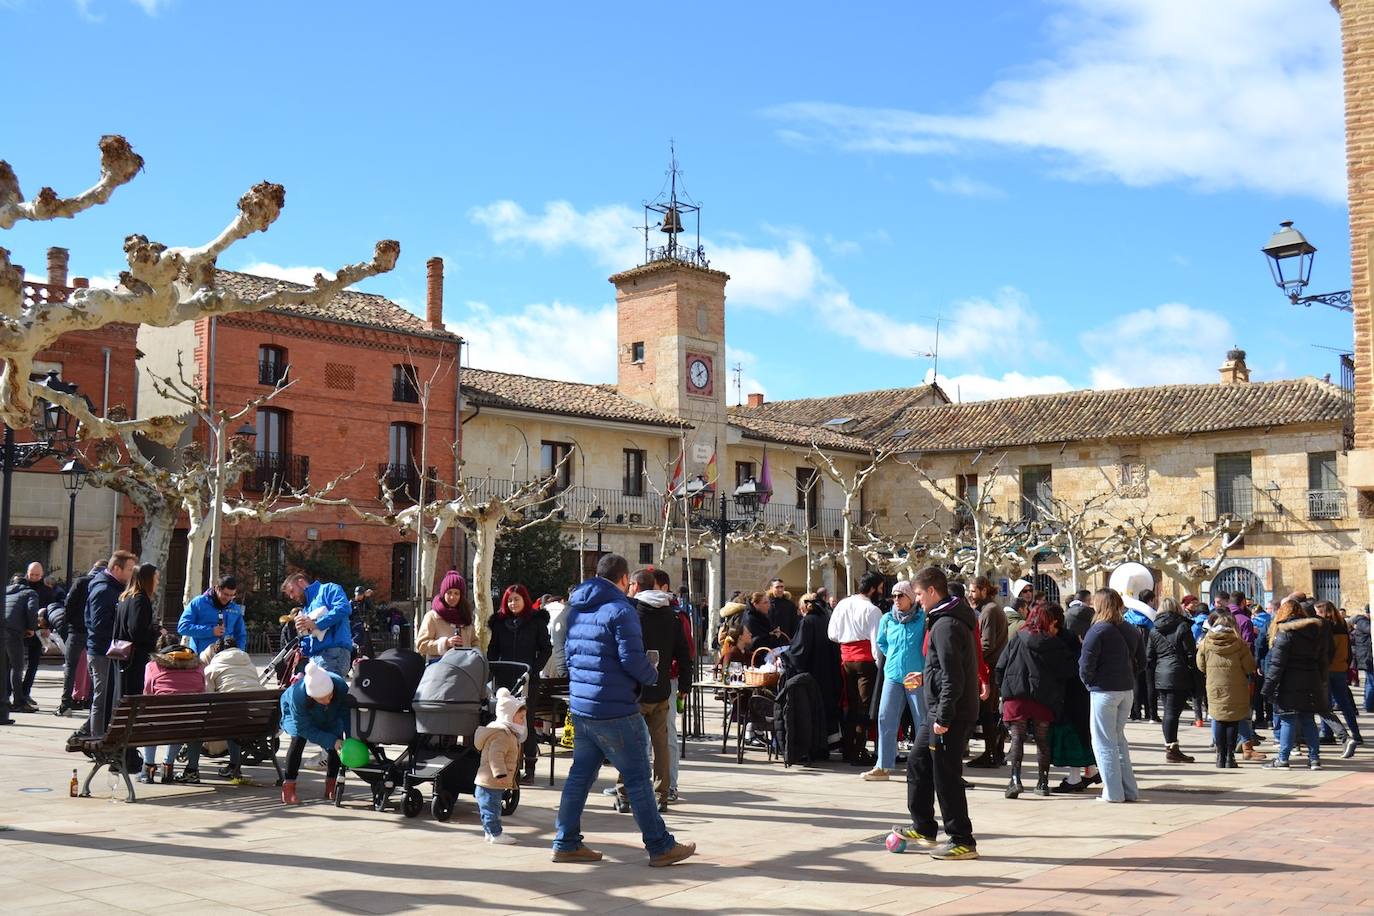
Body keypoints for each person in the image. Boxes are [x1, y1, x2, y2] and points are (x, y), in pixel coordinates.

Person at [552, 553, 695, 867]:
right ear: (623, 580)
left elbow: (567, 654)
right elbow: (631, 659)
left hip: (583, 705)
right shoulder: (620, 609)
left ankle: (566, 841)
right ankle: (659, 845)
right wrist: (651, 673)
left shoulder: (575, 608)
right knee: (639, 778)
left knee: (579, 777)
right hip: (615, 707)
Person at [892, 566, 979, 860]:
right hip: (939, 709)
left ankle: (962, 839)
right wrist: (925, 676)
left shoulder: (946, 625)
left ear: (931, 591)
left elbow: (955, 676)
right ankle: (924, 827)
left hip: (949, 713)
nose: (917, 600)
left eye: (918, 594)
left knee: (946, 775)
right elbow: (944, 668)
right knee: (918, 762)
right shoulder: (943, 621)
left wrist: (943, 716)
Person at [614, 568, 691, 812]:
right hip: (662, 690)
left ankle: (624, 794)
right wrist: (685, 686)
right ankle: (662, 795)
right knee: (661, 746)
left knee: (630, 745)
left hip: (634, 690)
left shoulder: (631, 612)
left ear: (636, 585)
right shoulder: (673, 615)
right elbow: (685, 654)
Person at [996, 603, 1074, 798]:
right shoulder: (1055, 644)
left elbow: (1001, 666)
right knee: (1042, 739)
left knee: (1017, 737)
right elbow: (1067, 672)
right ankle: (1043, 782)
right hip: (1044, 696)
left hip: (1016, 694)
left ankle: (1015, 780)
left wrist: (1002, 688)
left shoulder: (1017, 639)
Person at [1079, 588, 1145, 803]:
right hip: (1126, 689)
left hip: (1104, 690)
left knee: (1104, 742)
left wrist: (1089, 682)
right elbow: (1142, 662)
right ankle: (1129, 790)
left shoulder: (1098, 630)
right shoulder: (1130, 629)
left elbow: (1086, 663)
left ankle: (1113, 792)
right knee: (1119, 741)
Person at [489, 583, 552, 782]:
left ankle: (530, 767)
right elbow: (493, 650)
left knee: (526, 721)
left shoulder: (535, 622)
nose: (512, 603)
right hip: (505, 679)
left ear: (524, 600)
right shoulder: (500, 623)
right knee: (504, 723)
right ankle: (510, 765)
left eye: (516, 599)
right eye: (509, 600)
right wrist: (491, 668)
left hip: (527, 679)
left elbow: (545, 649)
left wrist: (534, 667)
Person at [866, 580, 926, 782]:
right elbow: (881, 642)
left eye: (900, 595)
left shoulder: (922, 618)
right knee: (885, 717)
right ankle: (883, 765)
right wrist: (892, 658)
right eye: (893, 595)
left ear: (910, 597)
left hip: (915, 677)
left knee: (921, 719)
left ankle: (923, 765)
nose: (896, 599)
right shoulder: (887, 619)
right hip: (892, 675)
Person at [1263, 599, 1329, 770]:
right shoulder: (1315, 632)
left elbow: (1277, 664)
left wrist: (1268, 688)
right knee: (1308, 720)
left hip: (1289, 682)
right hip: (1311, 680)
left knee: (1288, 720)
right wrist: (1321, 679)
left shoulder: (1285, 633)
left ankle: (1283, 759)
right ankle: (1314, 759)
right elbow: (1323, 659)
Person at [828, 571, 885, 766]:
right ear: (872, 588)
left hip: (846, 659)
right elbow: (877, 642)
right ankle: (859, 751)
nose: (881, 592)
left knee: (850, 705)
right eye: (880, 588)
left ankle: (849, 749)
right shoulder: (872, 609)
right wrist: (879, 666)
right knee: (864, 707)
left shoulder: (843, 604)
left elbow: (832, 634)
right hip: (865, 661)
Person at [279, 659, 350, 804]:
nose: (328, 700)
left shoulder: (340, 685)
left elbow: (346, 714)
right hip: (297, 716)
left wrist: (350, 737)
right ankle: (289, 787)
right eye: (322, 698)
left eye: (330, 696)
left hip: (329, 714)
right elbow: (303, 728)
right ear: (311, 696)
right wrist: (331, 741)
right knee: (298, 739)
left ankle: (331, 785)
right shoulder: (297, 695)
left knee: (336, 742)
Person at [138, 635, 206, 784]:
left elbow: (147, 693)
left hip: (160, 721)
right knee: (182, 718)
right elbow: (202, 691)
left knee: (150, 718)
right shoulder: (198, 666)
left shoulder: (152, 666)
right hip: (188, 722)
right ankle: (168, 766)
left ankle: (148, 769)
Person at [1051, 598, 1100, 794]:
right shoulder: (1093, 637)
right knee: (1084, 732)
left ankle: (1074, 777)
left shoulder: (1067, 640)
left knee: (1073, 734)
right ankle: (1090, 771)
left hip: (1070, 694)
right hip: (1089, 692)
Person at [87, 550, 138, 738]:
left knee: (109, 696)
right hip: (102, 651)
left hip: (111, 650)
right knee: (102, 698)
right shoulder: (103, 590)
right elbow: (99, 624)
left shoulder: (115, 588)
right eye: (130, 569)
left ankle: (97, 734)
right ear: (117, 568)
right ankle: (97, 739)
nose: (132, 573)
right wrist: (123, 632)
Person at [1196, 611, 1255, 769]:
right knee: (1233, 721)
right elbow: (1250, 667)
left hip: (1214, 686)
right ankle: (1230, 757)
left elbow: (1200, 665)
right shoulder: (1239, 643)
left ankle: (1220, 757)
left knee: (1219, 719)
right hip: (1236, 687)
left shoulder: (1206, 642)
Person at [786, 592, 843, 748]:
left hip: (812, 673)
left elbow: (799, 652)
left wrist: (784, 656)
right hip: (828, 672)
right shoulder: (825, 619)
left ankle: (813, 744)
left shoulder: (807, 622)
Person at [202, 635, 261, 783]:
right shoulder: (250, 664)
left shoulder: (212, 668)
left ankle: (192, 768)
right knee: (235, 716)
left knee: (229, 717)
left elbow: (207, 697)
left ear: (217, 651)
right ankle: (235, 766)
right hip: (257, 718)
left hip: (230, 719)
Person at [1146, 597, 1198, 763]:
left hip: (1162, 672)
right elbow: (1190, 652)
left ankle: (1171, 746)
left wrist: (1160, 666)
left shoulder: (1154, 629)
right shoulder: (1183, 626)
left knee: (1169, 712)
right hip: (1178, 673)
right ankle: (1172, 749)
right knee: (1172, 713)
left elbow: (1149, 656)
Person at [475, 687, 526, 844]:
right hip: (492, 779)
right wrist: (500, 773)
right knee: (492, 809)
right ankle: (496, 834)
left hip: (490, 780)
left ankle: (489, 832)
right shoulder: (502, 735)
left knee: (489, 807)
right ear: (509, 716)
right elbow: (495, 755)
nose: (523, 721)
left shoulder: (507, 733)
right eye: (521, 717)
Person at [966, 576, 1007, 769]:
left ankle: (992, 753)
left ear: (984, 590)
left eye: (973, 591)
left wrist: (971, 659)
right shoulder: (988, 609)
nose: (971, 594)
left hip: (989, 667)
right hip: (989, 666)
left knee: (987, 713)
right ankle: (994, 752)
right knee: (987, 713)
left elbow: (987, 643)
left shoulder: (989, 610)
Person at [1313, 601, 1362, 757]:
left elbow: (1325, 650)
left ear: (1322, 612)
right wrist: (1346, 665)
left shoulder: (1324, 627)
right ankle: (1356, 734)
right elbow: (1347, 649)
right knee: (1345, 704)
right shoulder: (1343, 626)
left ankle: (1326, 734)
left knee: (1325, 706)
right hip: (1340, 668)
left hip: (1327, 670)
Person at [281, 572, 353, 677]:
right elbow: (309, 638)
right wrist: (301, 631)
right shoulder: (306, 607)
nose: (292, 596)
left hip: (333, 652)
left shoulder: (328, 589)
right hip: (317, 657)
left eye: (292, 591)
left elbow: (344, 608)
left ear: (301, 582)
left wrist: (316, 624)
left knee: (325, 691)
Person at [54, 560, 103, 717]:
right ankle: (90, 701)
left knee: (70, 667)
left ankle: (65, 704)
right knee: (93, 668)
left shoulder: (81, 581)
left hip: (76, 631)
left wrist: (68, 625)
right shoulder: (103, 584)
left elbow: (68, 604)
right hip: (94, 631)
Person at [115, 563, 162, 699]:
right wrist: (157, 634)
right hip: (135, 659)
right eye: (156, 578)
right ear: (148, 579)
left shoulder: (126, 597)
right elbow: (137, 632)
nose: (157, 582)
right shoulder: (140, 600)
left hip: (123, 655)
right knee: (132, 695)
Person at [177, 575, 247, 656]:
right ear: (217, 589)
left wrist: (240, 653)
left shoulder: (235, 608)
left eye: (232, 595)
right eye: (225, 594)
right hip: (202, 659)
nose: (228, 598)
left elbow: (241, 635)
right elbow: (182, 627)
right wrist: (211, 631)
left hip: (226, 659)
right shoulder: (198, 603)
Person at [416, 570, 475, 662]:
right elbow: (421, 645)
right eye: (449, 593)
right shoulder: (432, 616)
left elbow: (474, 642)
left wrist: (474, 655)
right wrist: (445, 643)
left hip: (464, 669)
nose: (452, 597)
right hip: (440, 669)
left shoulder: (465, 615)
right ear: (443, 594)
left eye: (456, 593)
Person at [4, 570, 40, 713]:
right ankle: (19, 701)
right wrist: (31, 628)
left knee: (4, 666)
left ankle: (5, 698)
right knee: (17, 667)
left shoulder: (5, 591)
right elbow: (32, 610)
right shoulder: (30, 593)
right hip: (13, 631)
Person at [1125, 589, 1156, 722]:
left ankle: (1135, 713)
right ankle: (1151, 714)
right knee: (1150, 684)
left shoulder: (1128, 616)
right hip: (1149, 653)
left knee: (1135, 684)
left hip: (1132, 654)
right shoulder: (1151, 616)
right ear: (1151, 600)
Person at [1183, 595, 1209, 726]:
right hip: (1210, 659)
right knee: (1208, 687)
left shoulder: (1192, 624)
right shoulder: (1212, 622)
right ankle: (1210, 714)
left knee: (1196, 690)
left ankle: (1198, 719)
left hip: (1196, 659)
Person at [1251, 599, 1276, 727]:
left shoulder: (1269, 623)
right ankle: (1271, 718)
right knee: (1272, 692)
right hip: (1278, 664)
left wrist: (1257, 662)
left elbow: (1260, 644)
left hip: (1265, 662)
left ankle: (1261, 717)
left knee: (1261, 692)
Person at [1351, 606, 1373, 713]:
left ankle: (1368, 703)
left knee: (1370, 681)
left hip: (1366, 655)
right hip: (1367, 656)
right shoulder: (1362, 621)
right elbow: (1370, 630)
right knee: (1371, 682)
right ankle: (1369, 706)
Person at [543, 594, 570, 679]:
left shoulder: (545, 609)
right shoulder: (565, 610)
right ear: (562, 600)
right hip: (563, 652)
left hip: (549, 652)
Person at [766, 578, 799, 642]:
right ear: (771, 588)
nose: (780, 589)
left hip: (786, 640)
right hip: (769, 640)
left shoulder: (790, 605)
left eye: (782, 587)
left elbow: (794, 624)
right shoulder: (766, 603)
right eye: (777, 587)